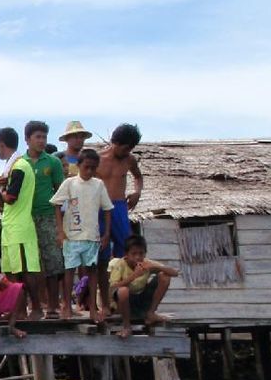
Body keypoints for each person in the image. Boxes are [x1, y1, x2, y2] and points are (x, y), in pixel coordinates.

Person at [51, 148, 113, 321]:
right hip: (71, 236)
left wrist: (106, 233)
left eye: (93, 168)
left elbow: (108, 209)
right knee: (69, 271)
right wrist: (60, 231)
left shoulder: (98, 185)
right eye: (86, 167)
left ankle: (93, 308)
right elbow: (56, 204)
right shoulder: (70, 183)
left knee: (92, 272)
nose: (90, 171)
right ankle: (66, 307)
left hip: (92, 236)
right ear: (78, 165)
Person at [96, 123, 144, 312]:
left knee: (127, 250)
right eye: (125, 147)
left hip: (119, 207)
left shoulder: (129, 160)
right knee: (102, 254)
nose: (127, 151)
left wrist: (137, 193)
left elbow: (138, 177)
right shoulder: (98, 159)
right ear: (114, 142)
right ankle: (105, 302)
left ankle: (127, 297)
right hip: (100, 209)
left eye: (131, 148)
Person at [24, 121, 65, 317]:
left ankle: (53, 306)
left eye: (44, 137)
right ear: (27, 139)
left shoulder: (53, 162)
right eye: (37, 137)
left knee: (53, 261)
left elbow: (60, 194)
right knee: (31, 262)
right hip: (26, 218)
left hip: (48, 216)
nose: (41, 141)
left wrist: (60, 226)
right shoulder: (20, 163)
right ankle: (35, 305)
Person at [0, 133, 41, 319]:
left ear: (0, 144)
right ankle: (19, 309)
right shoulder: (15, 166)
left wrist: (0, 189)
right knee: (12, 270)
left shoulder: (20, 167)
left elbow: (10, 198)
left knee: (25, 270)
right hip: (11, 226)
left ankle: (36, 308)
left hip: (20, 227)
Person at [108, 235, 179, 338]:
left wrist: (155, 266)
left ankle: (151, 313)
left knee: (165, 276)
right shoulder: (120, 264)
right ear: (127, 254)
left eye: (141, 253)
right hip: (123, 304)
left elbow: (175, 273)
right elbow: (113, 287)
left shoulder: (146, 263)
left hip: (141, 300)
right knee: (123, 290)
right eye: (134, 254)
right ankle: (127, 326)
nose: (138, 257)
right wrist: (134, 276)